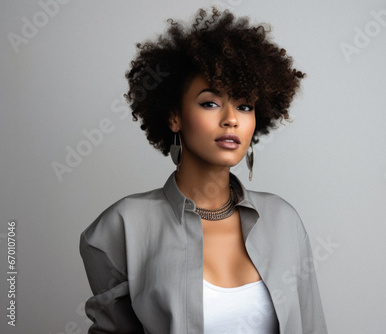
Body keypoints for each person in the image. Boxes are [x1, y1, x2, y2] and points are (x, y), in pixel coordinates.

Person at [80, 7, 328, 334]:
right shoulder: (122, 227)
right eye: (210, 102)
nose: (231, 119)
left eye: (244, 106)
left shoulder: (283, 221)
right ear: (174, 117)